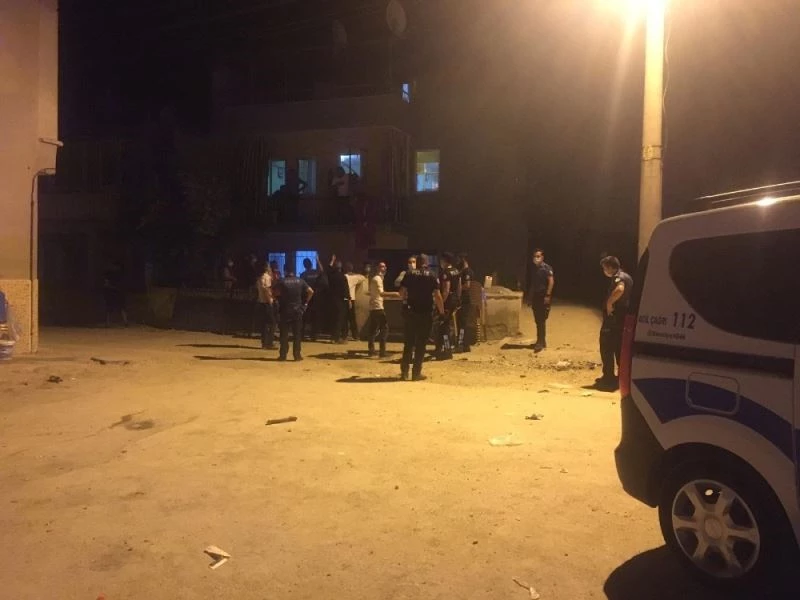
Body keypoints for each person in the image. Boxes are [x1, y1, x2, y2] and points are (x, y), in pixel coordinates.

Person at [399, 254, 444, 381]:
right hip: (425, 314)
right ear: (426, 263)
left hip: (411, 312)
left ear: (417, 263)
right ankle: (416, 373)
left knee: (408, 343)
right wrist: (442, 312)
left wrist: (405, 301)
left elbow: (401, 293)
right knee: (421, 344)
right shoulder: (432, 275)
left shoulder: (409, 274)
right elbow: (437, 295)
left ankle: (404, 372)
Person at [595, 255, 633, 391]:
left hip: (615, 318)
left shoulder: (619, 277)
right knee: (618, 348)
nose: (604, 271)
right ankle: (621, 377)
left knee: (606, 346)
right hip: (622, 318)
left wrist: (609, 303)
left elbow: (619, 289)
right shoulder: (627, 276)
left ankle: (608, 378)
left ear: (611, 267)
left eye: (605, 268)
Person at [273, 267, 314, 361]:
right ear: (294, 272)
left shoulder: (282, 281)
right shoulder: (301, 281)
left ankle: (283, 355)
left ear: (285, 271)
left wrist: (278, 299)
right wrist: (305, 303)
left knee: (284, 334)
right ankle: (297, 355)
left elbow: (274, 292)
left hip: (285, 310)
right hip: (297, 310)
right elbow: (311, 291)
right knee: (297, 334)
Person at [524, 248, 555, 353]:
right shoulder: (534, 269)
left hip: (543, 296)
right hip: (536, 297)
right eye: (534, 256)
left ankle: (540, 342)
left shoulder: (546, 268)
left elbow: (551, 282)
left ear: (542, 257)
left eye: (538, 256)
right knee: (537, 320)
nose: (536, 258)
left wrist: (548, 295)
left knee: (541, 319)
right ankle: (541, 340)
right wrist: (530, 298)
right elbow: (533, 284)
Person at [435, 252, 461, 360]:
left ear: (444, 261)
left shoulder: (445, 273)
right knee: (446, 325)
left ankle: (447, 349)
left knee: (444, 326)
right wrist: (458, 299)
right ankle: (440, 348)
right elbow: (459, 287)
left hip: (447, 301)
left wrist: (441, 303)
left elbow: (446, 290)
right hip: (454, 299)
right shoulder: (456, 271)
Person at [366, 261, 390, 357]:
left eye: (384, 266)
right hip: (378, 307)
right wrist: (396, 294)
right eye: (381, 267)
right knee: (384, 328)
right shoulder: (378, 279)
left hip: (373, 306)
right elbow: (381, 293)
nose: (383, 268)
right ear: (377, 268)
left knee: (373, 329)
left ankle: (371, 350)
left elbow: (372, 292)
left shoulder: (375, 278)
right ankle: (382, 351)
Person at [326, 255, 351, 344]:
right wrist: (349, 300)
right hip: (341, 301)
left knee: (333, 318)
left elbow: (328, 269)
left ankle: (333, 337)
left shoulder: (331, 276)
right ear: (341, 268)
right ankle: (337, 338)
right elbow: (346, 289)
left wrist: (332, 260)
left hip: (331, 300)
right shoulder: (343, 277)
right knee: (340, 319)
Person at [300, 257, 324, 342]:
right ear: (311, 264)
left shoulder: (303, 275)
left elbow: (302, 287)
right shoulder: (316, 272)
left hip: (306, 298)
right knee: (315, 317)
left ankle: (302, 334)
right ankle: (314, 336)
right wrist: (318, 260)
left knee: (304, 316)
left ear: (304, 265)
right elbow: (322, 271)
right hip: (316, 297)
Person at [456, 254, 476, 352]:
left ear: (463, 259)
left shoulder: (467, 271)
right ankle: (464, 345)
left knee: (462, 324)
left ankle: (462, 345)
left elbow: (467, 285)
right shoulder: (464, 271)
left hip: (465, 300)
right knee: (462, 323)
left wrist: (457, 289)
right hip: (465, 300)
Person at [344, 262, 367, 340]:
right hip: (352, 299)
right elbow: (363, 277)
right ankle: (355, 335)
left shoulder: (344, 276)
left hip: (344, 299)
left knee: (344, 318)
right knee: (352, 319)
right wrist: (354, 274)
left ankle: (344, 335)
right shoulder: (355, 277)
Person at [256, 263, 276, 349]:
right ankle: (270, 342)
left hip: (261, 302)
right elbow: (267, 290)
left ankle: (264, 343)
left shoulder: (259, 278)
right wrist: (270, 301)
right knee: (272, 323)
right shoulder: (267, 277)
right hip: (267, 302)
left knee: (263, 324)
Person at [103, 262, 128, 327]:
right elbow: (106, 284)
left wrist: (114, 287)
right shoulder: (109, 274)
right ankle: (108, 323)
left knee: (122, 307)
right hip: (112, 293)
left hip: (118, 292)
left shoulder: (120, 275)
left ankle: (125, 322)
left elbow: (107, 284)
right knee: (110, 308)